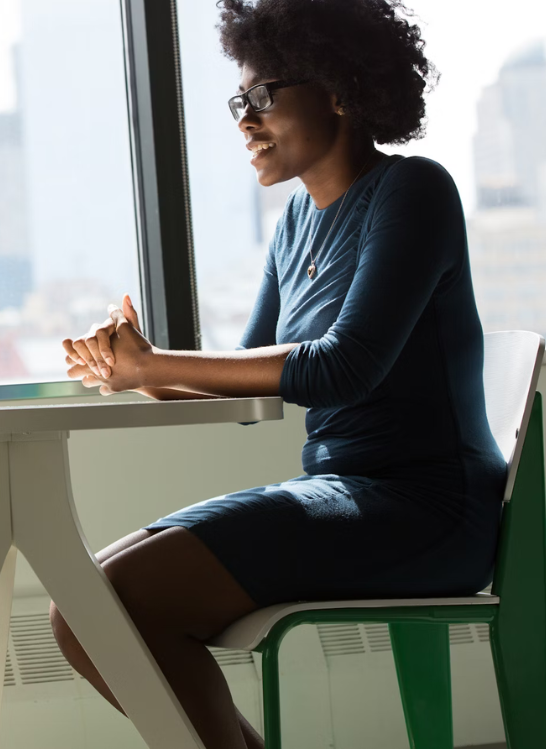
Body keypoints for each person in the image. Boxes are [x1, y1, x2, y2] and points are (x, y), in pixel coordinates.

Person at [51, 1, 505, 747]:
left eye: (262, 97)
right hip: (341, 493)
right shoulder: (295, 225)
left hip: (428, 506)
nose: (244, 121)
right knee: (83, 606)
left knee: (113, 603)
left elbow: (343, 368)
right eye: (240, 101)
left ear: (337, 88)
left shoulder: (413, 192)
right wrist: (133, 371)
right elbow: (247, 383)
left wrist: (154, 361)